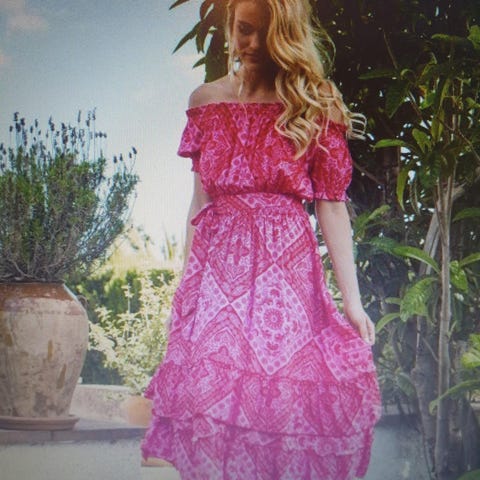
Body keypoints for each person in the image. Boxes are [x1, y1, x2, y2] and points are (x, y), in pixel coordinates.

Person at [141, 0, 381, 478]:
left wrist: (352, 303)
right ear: (230, 25)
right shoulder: (205, 101)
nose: (250, 43)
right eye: (243, 29)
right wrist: (186, 289)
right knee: (212, 401)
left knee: (281, 404)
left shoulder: (315, 102)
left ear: (285, 37)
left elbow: (331, 205)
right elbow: (200, 203)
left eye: (264, 33)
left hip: (285, 278)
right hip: (218, 276)